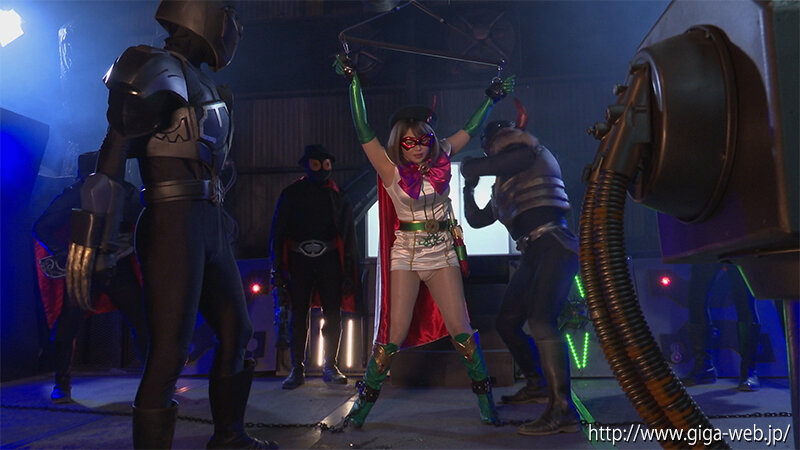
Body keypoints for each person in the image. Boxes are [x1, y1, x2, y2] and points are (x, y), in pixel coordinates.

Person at [64, 1, 276, 448]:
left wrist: (220, 213)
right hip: (171, 222)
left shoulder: (204, 82)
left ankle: (230, 437)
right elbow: (113, 153)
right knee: (168, 352)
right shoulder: (151, 67)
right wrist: (93, 241)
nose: (231, 27)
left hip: (205, 220)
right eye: (225, 15)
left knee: (235, 332)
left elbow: (211, 164)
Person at [334, 54, 514, 427]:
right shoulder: (389, 168)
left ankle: (486, 403)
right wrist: (353, 83)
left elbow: (469, 128)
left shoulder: (443, 155)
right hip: (406, 254)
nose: (418, 147)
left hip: (443, 251)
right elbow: (362, 128)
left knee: (461, 328)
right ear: (399, 144)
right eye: (410, 142)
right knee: (394, 333)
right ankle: (362, 409)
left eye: (424, 140)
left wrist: (491, 99)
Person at [459, 117, 580, 436]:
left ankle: (563, 410)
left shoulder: (531, 153)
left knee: (542, 321)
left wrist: (470, 168)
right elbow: (477, 220)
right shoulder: (505, 181)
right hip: (535, 251)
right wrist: (468, 188)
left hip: (554, 244)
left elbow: (489, 163)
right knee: (507, 322)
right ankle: (538, 383)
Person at [34, 151, 147, 404]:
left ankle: (154, 381)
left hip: (116, 267)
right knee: (66, 326)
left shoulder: (124, 191)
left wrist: (129, 242)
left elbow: (144, 222)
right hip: (83, 270)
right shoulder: (75, 193)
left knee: (141, 322)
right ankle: (62, 382)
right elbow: (43, 226)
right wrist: (66, 252)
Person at [269, 144, 362, 389]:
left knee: (333, 314)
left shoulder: (338, 196)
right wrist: (276, 268)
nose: (321, 169)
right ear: (306, 165)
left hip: (329, 261)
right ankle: (297, 368)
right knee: (298, 315)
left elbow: (349, 235)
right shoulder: (291, 194)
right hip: (298, 261)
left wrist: (349, 269)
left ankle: (330, 366)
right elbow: (277, 233)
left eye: (325, 163)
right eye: (316, 163)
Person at [682, 263, 761, 391]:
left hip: (737, 252)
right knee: (696, 298)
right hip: (706, 251)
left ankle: (749, 371)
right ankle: (704, 368)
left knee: (744, 299)